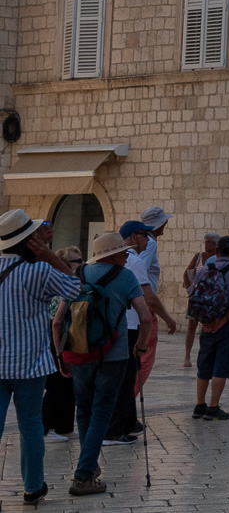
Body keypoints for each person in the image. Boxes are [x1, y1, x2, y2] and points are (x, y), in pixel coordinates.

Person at [0, 209, 82, 506]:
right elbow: (75, 288)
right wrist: (50, 257)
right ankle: (33, 487)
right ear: (29, 241)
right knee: (31, 427)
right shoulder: (39, 270)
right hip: (30, 364)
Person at [67, 230, 150, 497]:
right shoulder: (126, 277)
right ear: (113, 256)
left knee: (83, 410)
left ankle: (89, 466)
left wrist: (60, 353)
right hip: (113, 355)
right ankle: (83, 475)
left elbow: (59, 319)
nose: (126, 259)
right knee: (102, 412)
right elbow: (145, 317)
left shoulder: (78, 275)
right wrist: (141, 345)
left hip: (80, 352)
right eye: (123, 254)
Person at [107, 219, 173, 443]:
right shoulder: (133, 261)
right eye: (146, 235)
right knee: (125, 378)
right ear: (134, 237)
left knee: (123, 376)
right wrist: (168, 319)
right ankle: (115, 430)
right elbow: (148, 298)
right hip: (130, 325)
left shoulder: (112, 259)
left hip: (114, 323)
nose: (149, 240)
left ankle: (128, 422)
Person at [190, 235, 229, 420]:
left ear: (216, 252)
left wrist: (205, 321)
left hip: (207, 325)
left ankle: (199, 405)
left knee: (204, 365)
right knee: (221, 366)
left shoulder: (205, 270)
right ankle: (213, 407)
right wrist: (222, 321)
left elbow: (193, 294)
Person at [42, 246, 84, 443]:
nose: (82, 264)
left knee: (68, 382)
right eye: (78, 260)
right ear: (67, 264)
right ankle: (45, 427)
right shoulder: (59, 283)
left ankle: (64, 426)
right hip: (55, 335)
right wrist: (58, 349)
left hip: (66, 334)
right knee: (57, 383)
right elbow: (56, 320)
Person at [133, 205, 172, 396]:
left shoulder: (141, 241)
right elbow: (141, 269)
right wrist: (168, 318)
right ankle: (127, 403)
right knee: (145, 358)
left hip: (134, 306)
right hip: (145, 305)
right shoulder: (150, 243)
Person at [180, 232, 220, 367]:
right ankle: (187, 356)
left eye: (209, 242)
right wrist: (190, 289)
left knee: (215, 326)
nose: (207, 244)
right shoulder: (199, 257)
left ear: (216, 244)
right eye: (206, 242)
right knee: (192, 325)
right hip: (197, 295)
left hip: (212, 297)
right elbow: (187, 272)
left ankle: (215, 355)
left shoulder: (219, 257)